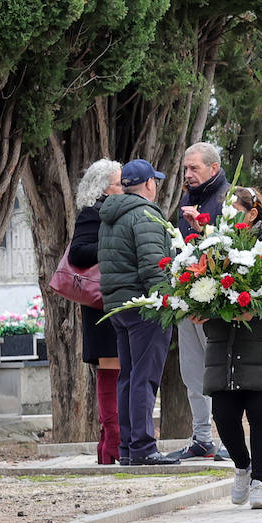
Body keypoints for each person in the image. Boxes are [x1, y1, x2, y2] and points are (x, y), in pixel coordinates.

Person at [196, 187, 262, 509]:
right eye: (223, 212)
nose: (226, 217)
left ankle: (260, 481)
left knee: (259, 412)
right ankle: (241, 466)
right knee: (224, 415)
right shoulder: (214, 249)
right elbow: (196, 283)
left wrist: (256, 305)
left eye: (234, 210)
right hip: (224, 345)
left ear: (252, 213)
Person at [98, 159, 180, 465]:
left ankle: (129, 448)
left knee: (128, 377)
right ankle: (144, 447)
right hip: (145, 306)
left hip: (119, 306)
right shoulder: (145, 214)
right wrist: (168, 303)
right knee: (144, 378)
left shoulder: (111, 215)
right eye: (155, 181)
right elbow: (153, 266)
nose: (156, 186)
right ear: (148, 184)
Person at [166, 142, 228, 461]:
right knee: (192, 372)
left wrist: (204, 227)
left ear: (213, 169)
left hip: (216, 304)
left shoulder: (227, 198)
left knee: (222, 372)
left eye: (194, 168)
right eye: (185, 169)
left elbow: (233, 247)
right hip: (187, 299)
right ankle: (202, 438)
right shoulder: (187, 199)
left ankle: (231, 438)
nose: (187, 174)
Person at [67, 159, 124, 464]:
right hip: (100, 307)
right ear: (104, 188)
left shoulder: (118, 212)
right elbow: (78, 252)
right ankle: (112, 442)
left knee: (118, 374)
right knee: (109, 374)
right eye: (119, 183)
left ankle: (109, 445)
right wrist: (111, 243)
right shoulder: (92, 214)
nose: (124, 188)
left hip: (114, 302)